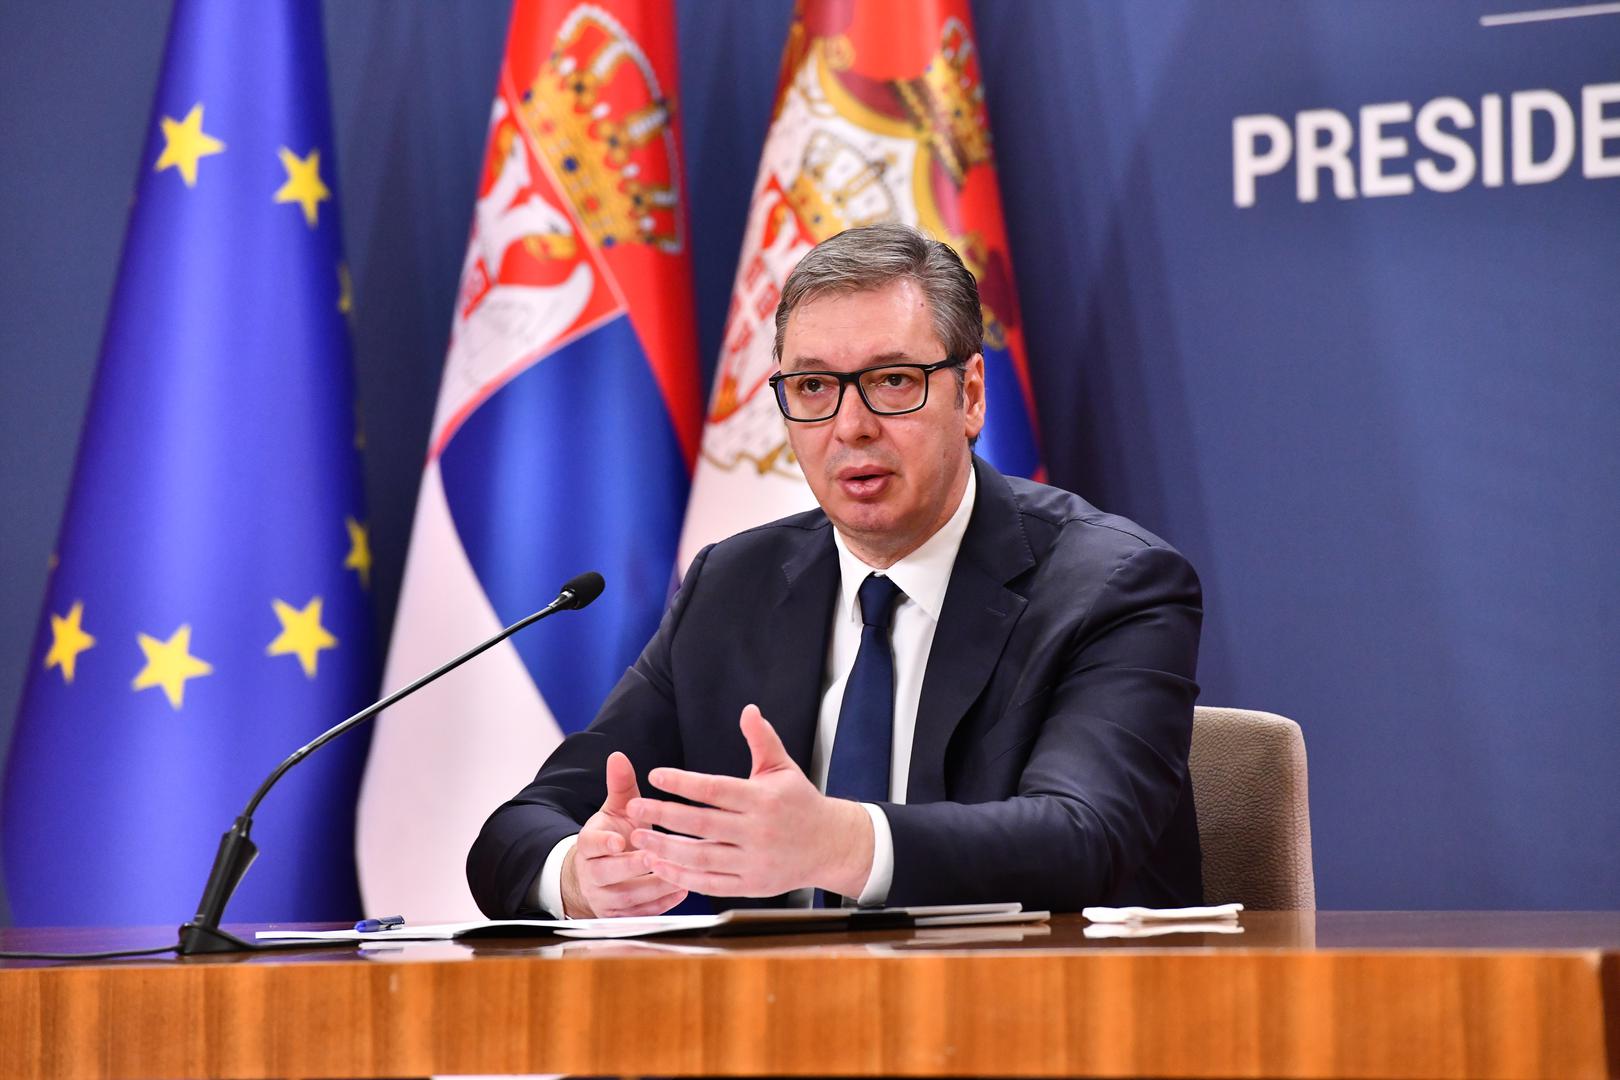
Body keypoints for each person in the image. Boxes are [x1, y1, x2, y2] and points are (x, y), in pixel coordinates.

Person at [467, 223, 1203, 919]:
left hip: (1037, 1006)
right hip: (779, 1011)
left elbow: (1082, 840)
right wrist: (579, 873)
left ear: (972, 396)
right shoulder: (733, 587)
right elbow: (522, 827)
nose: (851, 427)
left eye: (893, 380)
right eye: (814, 388)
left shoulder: (1112, 586)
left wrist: (839, 845)